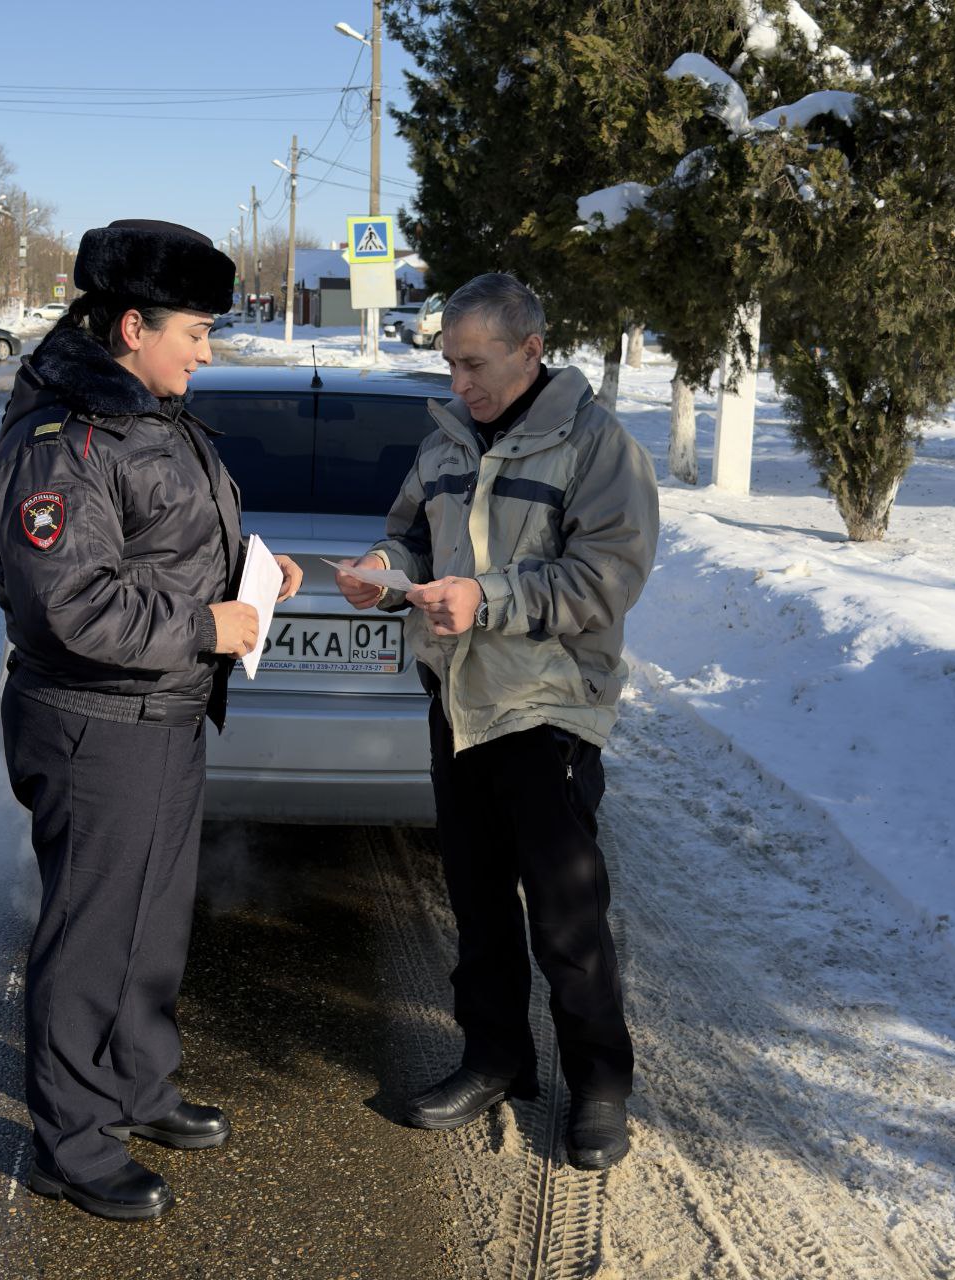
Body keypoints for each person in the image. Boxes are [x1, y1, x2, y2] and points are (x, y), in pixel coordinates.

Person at [0, 219, 302, 1221]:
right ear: (132, 324)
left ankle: (135, 1085)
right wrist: (204, 620)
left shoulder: (150, 415)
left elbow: (168, 537)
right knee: (91, 935)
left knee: (153, 923)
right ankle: (72, 1139)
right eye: (197, 333)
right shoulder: (63, 437)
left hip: (161, 709)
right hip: (93, 721)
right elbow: (65, 602)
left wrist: (256, 570)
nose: (207, 353)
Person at [335, 273, 658, 1170]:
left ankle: (597, 1087)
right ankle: (493, 1058)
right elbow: (409, 534)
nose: (459, 383)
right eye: (448, 364)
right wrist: (378, 563)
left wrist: (488, 598)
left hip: (547, 706)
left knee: (565, 913)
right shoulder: (443, 440)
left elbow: (606, 579)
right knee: (476, 902)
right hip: (458, 702)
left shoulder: (598, 447)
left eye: (474, 365)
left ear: (529, 350)